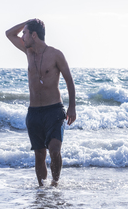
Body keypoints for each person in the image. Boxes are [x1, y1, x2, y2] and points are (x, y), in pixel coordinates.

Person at [6, 19, 76, 187]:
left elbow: (69, 80)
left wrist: (72, 107)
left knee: (54, 150)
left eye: (25, 33)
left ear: (34, 35)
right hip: (34, 112)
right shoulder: (28, 51)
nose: (22, 36)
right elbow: (9, 34)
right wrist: (27, 23)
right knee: (39, 154)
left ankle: (55, 184)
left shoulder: (55, 54)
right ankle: (42, 191)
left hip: (54, 111)